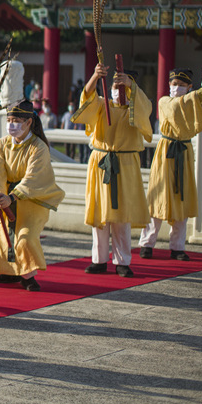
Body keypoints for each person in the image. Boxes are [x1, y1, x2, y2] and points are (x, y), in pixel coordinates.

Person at [140, 67, 202, 259]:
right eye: (174, 84)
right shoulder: (164, 101)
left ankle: (177, 247)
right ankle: (147, 243)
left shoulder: (194, 101)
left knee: (181, 198)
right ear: (169, 84)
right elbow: (178, 107)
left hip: (183, 153)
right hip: (165, 152)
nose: (177, 87)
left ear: (189, 86)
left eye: (182, 85)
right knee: (157, 197)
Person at [0, 101, 65, 291]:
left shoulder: (38, 147)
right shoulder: (2, 144)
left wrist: (12, 197)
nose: (11, 124)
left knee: (25, 237)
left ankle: (28, 276)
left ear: (29, 122)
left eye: (16, 120)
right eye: (9, 120)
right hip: (3, 196)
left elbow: (34, 177)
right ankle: (7, 271)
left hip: (31, 200)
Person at [71, 63, 152, 277]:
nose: (118, 91)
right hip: (101, 161)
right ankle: (98, 259)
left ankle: (122, 261)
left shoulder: (137, 106)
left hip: (125, 164)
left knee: (121, 216)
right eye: (115, 86)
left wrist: (132, 88)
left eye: (123, 87)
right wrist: (95, 77)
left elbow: (145, 109)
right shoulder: (101, 104)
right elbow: (87, 97)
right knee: (100, 213)